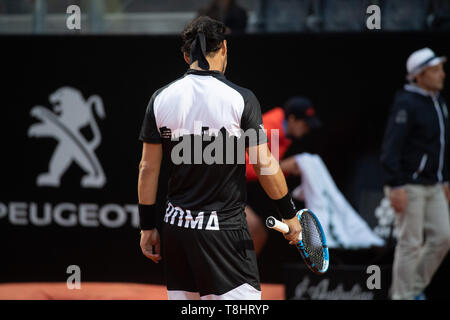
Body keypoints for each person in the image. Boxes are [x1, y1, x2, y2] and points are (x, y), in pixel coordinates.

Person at [137, 16, 301, 300]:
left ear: (186, 55)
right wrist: (290, 215)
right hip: (223, 233)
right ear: (223, 47)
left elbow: (148, 167)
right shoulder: (241, 98)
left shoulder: (161, 98)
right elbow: (264, 165)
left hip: (177, 230)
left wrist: (147, 227)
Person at [380, 47, 450, 300]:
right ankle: (402, 296)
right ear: (419, 76)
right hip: (408, 184)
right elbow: (391, 147)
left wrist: (444, 179)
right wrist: (395, 185)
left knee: (443, 238)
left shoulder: (438, 102)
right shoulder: (406, 103)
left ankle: (411, 290)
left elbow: (441, 145)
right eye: (435, 70)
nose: (442, 74)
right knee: (410, 243)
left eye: (441, 69)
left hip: (434, 184)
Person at [245, 97, 321, 255]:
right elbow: (245, 168)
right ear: (292, 119)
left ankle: (241, 275)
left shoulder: (285, 132)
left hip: (245, 190)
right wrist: (281, 167)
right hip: (226, 185)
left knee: (258, 233)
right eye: (304, 124)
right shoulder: (269, 128)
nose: (307, 130)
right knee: (252, 227)